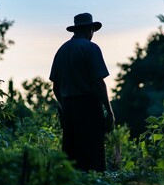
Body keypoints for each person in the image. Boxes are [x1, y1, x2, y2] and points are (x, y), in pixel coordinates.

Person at [49, 12, 115, 172]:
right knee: (94, 156)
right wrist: (109, 111)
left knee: (72, 157)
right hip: (89, 108)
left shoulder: (61, 51)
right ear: (89, 30)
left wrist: (65, 107)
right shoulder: (91, 48)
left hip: (69, 109)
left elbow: (55, 87)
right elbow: (99, 83)